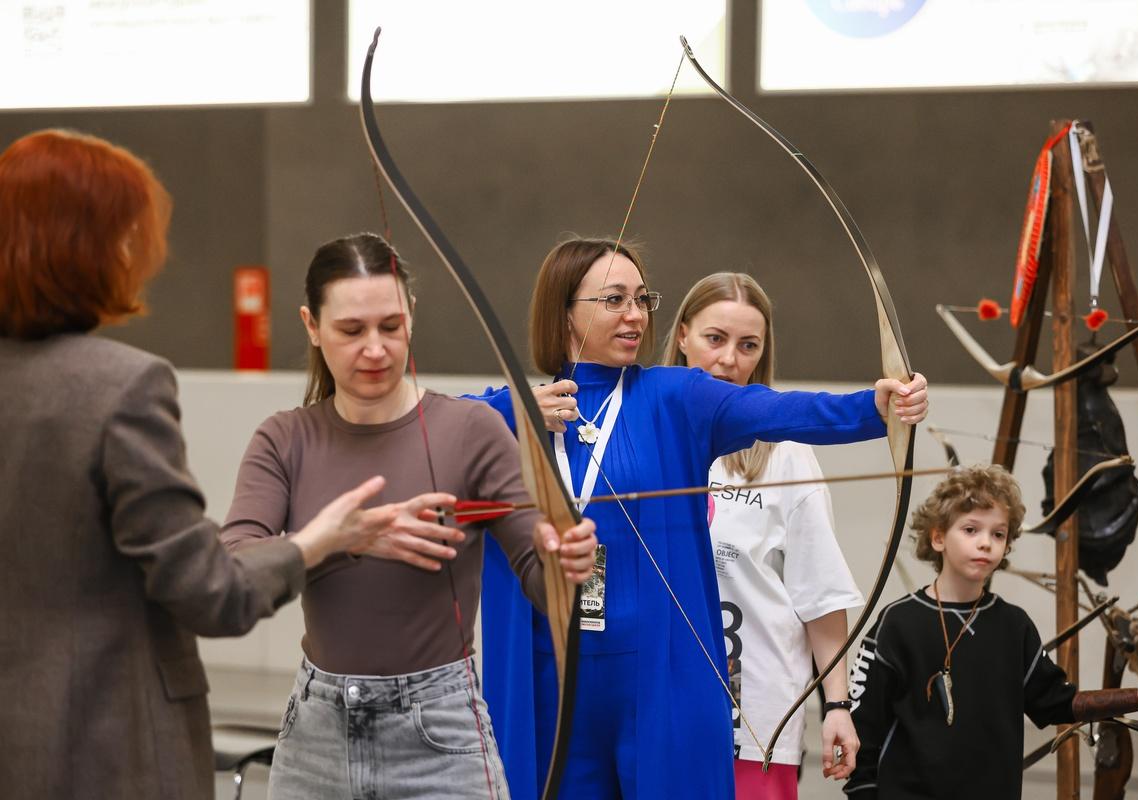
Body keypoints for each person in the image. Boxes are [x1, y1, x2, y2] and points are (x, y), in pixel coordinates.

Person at [0, 130, 441, 800]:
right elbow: (211, 590)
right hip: (108, 748)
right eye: (128, 235)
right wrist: (320, 541)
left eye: (391, 326)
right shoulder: (122, 387)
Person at [472, 236, 928, 800]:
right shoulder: (509, 412)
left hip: (656, 677)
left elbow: (780, 409)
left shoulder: (678, 396)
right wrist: (509, 409)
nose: (636, 315)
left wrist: (874, 407)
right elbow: (427, 431)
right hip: (548, 680)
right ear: (565, 310)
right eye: (614, 300)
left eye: (642, 299)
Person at [219, 232, 597, 800]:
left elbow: (540, 573)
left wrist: (566, 563)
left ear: (412, 316)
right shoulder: (284, 439)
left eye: (391, 326)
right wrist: (340, 539)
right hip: (317, 737)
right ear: (311, 325)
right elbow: (232, 573)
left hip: (441, 734)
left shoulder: (471, 431)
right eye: (351, 330)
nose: (375, 349)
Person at [844, 464, 1138, 800]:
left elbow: (1057, 702)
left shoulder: (1014, 625)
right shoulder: (897, 623)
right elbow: (862, 731)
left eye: (998, 534)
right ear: (938, 537)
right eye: (971, 530)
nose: (986, 543)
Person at [662, 272, 863, 799]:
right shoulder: (644, 431)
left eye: (748, 345)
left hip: (756, 722)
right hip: (654, 706)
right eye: (715, 338)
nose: (730, 359)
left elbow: (819, 593)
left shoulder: (786, 451)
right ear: (682, 335)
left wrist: (837, 704)